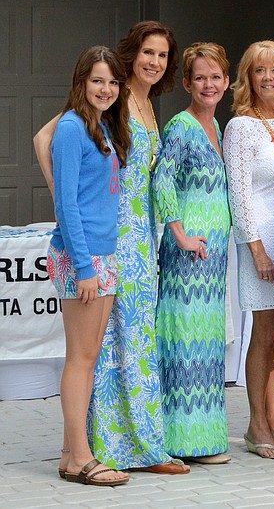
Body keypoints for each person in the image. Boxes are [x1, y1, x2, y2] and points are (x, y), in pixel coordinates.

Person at [34, 21, 188, 475]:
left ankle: (131, 444)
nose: (154, 62)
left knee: (127, 344)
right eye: (147, 53)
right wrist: (66, 202)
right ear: (129, 56)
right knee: (93, 354)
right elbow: (46, 141)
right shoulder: (83, 117)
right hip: (101, 240)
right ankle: (92, 451)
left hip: (133, 241)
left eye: (162, 55)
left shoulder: (135, 106)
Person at [47, 46, 130, 485]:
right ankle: (80, 458)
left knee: (90, 355)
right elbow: (66, 205)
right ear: (81, 81)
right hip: (81, 257)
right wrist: (83, 267)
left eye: (113, 82)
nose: (106, 89)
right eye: (97, 80)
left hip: (104, 253)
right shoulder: (70, 128)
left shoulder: (102, 126)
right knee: (80, 357)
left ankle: (68, 452)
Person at [224, 41, 274, 459]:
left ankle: (273, 420)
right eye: (260, 71)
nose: (268, 78)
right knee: (264, 330)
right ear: (248, 77)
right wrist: (255, 249)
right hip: (262, 243)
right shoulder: (240, 127)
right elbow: (238, 195)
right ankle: (256, 425)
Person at [153, 42, 232, 463]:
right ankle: (182, 441)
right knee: (185, 340)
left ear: (227, 81)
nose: (208, 84)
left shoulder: (216, 127)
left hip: (213, 258)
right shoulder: (181, 127)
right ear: (186, 82)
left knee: (206, 342)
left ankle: (205, 437)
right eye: (199, 77)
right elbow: (162, 182)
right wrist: (180, 235)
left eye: (215, 77)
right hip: (190, 254)